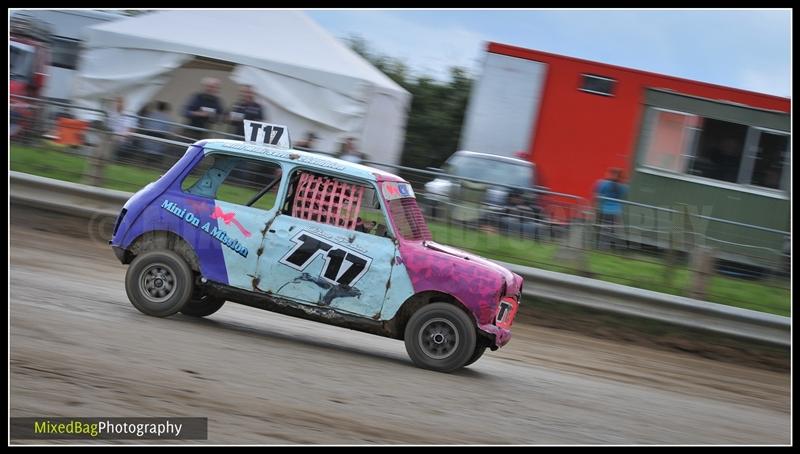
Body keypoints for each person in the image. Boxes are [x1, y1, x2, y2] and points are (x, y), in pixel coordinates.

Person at [593, 167, 628, 250]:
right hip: (615, 212)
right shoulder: (624, 187)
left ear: (610, 174)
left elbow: (596, 197)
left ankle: (597, 247)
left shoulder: (601, 183)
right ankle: (604, 248)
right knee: (609, 231)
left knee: (598, 228)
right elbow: (623, 198)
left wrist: (594, 208)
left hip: (602, 210)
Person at [106, 96, 139, 161]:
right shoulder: (111, 114)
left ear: (125, 103)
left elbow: (132, 130)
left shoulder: (131, 114)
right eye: (117, 102)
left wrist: (121, 137)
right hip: (111, 138)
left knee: (114, 142)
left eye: (120, 102)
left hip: (123, 140)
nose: (118, 104)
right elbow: (108, 128)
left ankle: (112, 159)